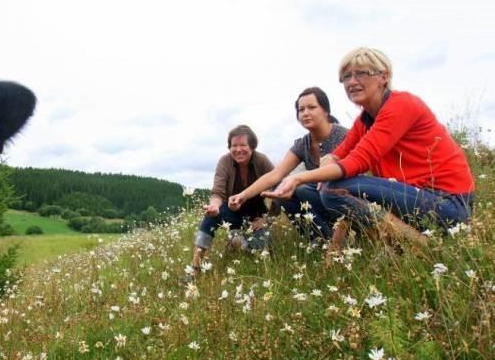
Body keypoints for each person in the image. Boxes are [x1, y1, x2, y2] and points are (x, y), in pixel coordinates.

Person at [262, 47, 474, 250]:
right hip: (415, 200)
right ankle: (379, 243)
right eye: (346, 77)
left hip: (447, 204)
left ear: (383, 76)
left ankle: (419, 245)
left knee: (332, 189)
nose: (352, 82)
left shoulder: (402, 105)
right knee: (309, 190)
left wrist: (298, 177)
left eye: (361, 74)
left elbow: (356, 162)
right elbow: (340, 153)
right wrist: (329, 160)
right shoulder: (365, 120)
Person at [228, 87, 347, 238]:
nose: (305, 113)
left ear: (325, 111)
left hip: (344, 199)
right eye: (301, 109)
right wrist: (242, 195)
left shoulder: (344, 136)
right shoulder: (302, 144)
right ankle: (317, 239)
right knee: (281, 188)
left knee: (303, 189)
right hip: (318, 198)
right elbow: (276, 174)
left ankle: (336, 241)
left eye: (312, 107)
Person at [190, 125, 274, 276]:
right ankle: (194, 268)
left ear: (252, 146)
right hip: (232, 213)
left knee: (259, 252)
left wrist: (267, 219)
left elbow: (279, 188)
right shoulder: (225, 161)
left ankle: (238, 242)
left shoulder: (262, 161)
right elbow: (218, 192)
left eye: (243, 145)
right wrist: (215, 206)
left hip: (256, 216)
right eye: (234, 145)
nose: (238, 149)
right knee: (211, 216)